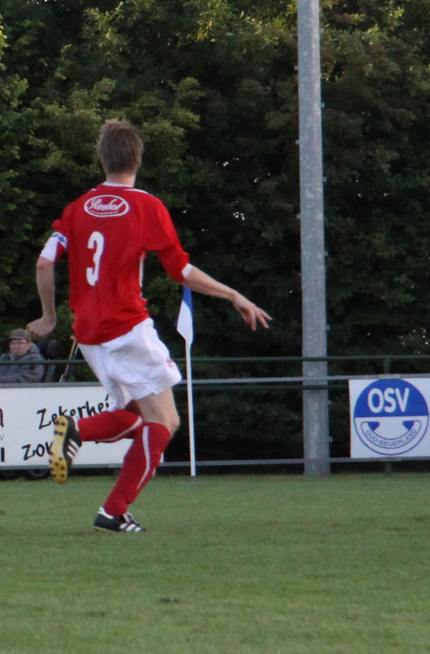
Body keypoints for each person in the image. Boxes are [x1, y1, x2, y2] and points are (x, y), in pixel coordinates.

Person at [35, 119, 269, 533]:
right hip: (127, 328)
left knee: (136, 417)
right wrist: (233, 294)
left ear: (102, 159)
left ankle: (77, 433)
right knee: (165, 422)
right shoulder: (146, 206)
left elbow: (44, 262)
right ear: (137, 159)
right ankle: (113, 510)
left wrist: (49, 317)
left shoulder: (77, 208)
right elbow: (181, 271)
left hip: (88, 334)